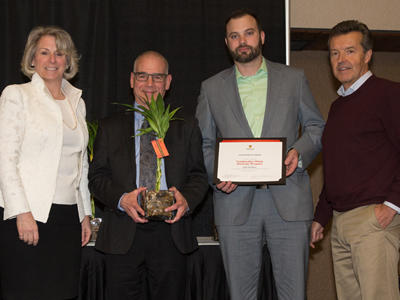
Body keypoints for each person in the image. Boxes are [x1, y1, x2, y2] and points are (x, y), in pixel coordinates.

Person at [195, 9, 325, 300]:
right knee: (241, 295)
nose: (242, 41)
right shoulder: (212, 88)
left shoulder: (294, 78)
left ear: (262, 37)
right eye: (234, 35)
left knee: (294, 295)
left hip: (289, 202)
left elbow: (316, 127)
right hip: (234, 203)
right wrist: (218, 174)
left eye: (249, 33)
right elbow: (203, 143)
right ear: (227, 43)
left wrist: (298, 153)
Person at [88, 50, 209, 300]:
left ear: (168, 82)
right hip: (123, 236)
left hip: (171, 236)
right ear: (132, 80)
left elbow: (199, 175)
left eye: (157, 77)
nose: (150, 84)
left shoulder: (186, 125)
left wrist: (186, 200)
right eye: (143, 76)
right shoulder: (110, 127)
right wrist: (122, 199)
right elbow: (96, 177)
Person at [0, 26, 92, 300]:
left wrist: (84, 213)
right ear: (32, 59)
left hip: (67, 219)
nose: (53, 59)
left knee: (63, 293)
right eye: (45, 52)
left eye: (60, 53)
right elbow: (5, 159)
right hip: (29, 217)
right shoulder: (17, 94)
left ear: (68, 60)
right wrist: (22, 213)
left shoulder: (78, 102)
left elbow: (81, 164)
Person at [310, 20, 400, 300]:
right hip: (340, 224)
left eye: (350, 51)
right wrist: (321, 217)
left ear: (367, 55)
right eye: (335, 53)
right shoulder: (338, 107)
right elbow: (337, 168)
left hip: (373, 221)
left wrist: (392, 205)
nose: (341, 59)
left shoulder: (389, 94)